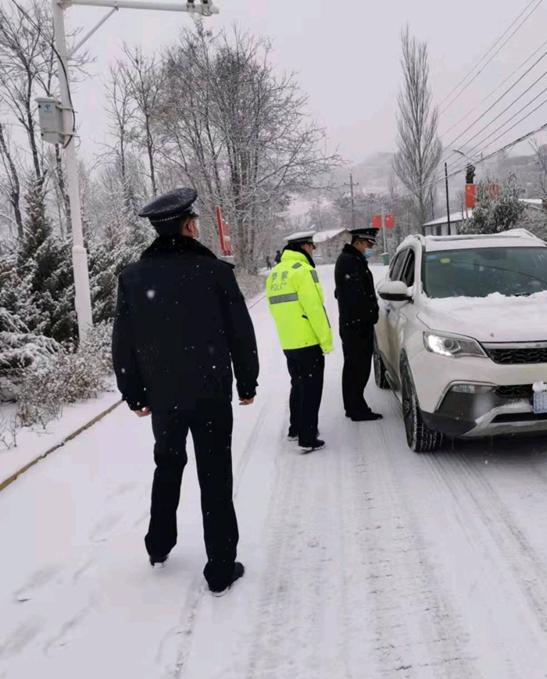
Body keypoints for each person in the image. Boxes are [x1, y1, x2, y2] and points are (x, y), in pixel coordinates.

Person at [112, 187, 258, 595]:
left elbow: (123, 341)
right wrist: (247, 381)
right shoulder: (215, 273)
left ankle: (159, 546)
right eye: (195, 222)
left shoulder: (133, 278)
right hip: (210, 392)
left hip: (165, 398)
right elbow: (240, 335)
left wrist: (134, 393)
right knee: (215, 477)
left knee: (168, 466)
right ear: (188, 226)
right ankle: (220, 567)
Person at [266, 231, 334, 452]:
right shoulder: (303, 271)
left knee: (298, 385)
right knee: (312, 390)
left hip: (289, 342)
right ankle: (307, 437)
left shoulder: (275, 273)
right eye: (312, 246)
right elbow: (315, 309)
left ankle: (295, 428)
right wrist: (326, 341)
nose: (313, 250)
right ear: (304, 247)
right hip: (308, 341)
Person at [334, 227, 382, 421]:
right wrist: (369, 314)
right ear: (359, 242)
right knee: (357, 369)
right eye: (368, 244)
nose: (369, 248)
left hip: (355, 324)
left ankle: (354, 406)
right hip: (356, 326)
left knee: (355, 368)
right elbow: (355, 296)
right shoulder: (349, 261)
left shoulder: (352, 259)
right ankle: (356, 409)